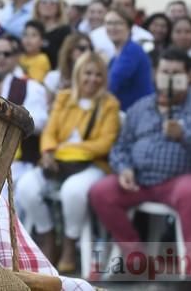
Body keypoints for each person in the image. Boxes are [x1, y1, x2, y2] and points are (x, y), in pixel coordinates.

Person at [89, 48, 191, 274]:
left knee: (190, 193)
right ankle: (136, 256)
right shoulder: (141, 107)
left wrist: (183, 135)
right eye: (165, 72)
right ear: (155, 74)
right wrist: (124, 169)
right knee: (100, 192)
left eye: (176, 73)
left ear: (188, 76)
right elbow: (120, 147)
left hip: (182, 180)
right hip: (139, 180)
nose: (169, 78)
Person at [15, 52, 120, 272]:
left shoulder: (109, 104)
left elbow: (104, 144)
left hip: (92, 165)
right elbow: (50, 132)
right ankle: (47, 236)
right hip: (57, 161)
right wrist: (49, 152)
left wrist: (68, 149)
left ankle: (70, 243)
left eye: (98, 74)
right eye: (87, 73)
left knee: (72, 191)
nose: (92, 79)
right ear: (78, 74)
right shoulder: (64, 97)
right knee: (26, 187)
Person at [0, 35, 48, 184]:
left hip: (19, 164)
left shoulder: (30, 86)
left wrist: (10, 115)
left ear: (16, 57)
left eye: (7, 54)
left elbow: (40, 123)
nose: (1, 57)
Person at [105, 7, 154, 111]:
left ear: (129, 27)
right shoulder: (114, 58)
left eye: (118, 23)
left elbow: (112, 83)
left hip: (139, 114)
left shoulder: (132, 50)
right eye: (109, 23)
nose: (113, 27)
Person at [89, 0, 153, 59]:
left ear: (134, 10)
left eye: (126, 5)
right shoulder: (94, 36)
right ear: (110, 7)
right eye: (117, 4)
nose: (121, 8)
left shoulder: (145, 37)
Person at [43, 32, 92, 97]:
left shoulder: (93, 78)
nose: (88, 52)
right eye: (82, 48)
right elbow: (47, 105)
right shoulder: (54, 78)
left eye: (91, 49)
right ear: (70, 51)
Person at [31, 0, 70, 69]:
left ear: (59, 7)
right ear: (37, 5)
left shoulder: (65, 31)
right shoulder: (30, 27)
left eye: (53, 1)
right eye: (44, 1)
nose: (48, 5)